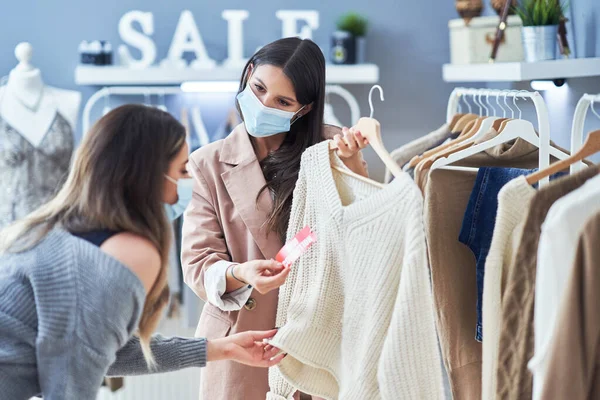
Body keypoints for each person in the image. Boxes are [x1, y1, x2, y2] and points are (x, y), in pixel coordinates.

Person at [0, 104, 284, 400]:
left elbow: (102, 350)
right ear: (148, 174)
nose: (189, 182)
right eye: (183, 170)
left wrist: (221, 348)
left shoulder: (59, 229)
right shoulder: (129, 252)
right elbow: (71, 389)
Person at [182, 37, 369, 400]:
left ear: (303, 109)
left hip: (318, 338)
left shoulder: (333, 151)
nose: (264, 105)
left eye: (282, 102)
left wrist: (356, 168)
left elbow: (365, 237)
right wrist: (240, 273)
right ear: (248, 74)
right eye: (259, 89)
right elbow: (197, 264)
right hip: (243, 340)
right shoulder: (208, 163)